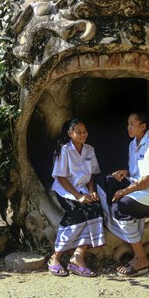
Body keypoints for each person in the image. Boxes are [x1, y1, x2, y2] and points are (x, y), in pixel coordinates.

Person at [96, 112, 149, 276]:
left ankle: (141, 257)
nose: (128, 127)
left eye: (132, 124)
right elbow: (138, 173)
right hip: (138, 184)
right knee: (104, 181)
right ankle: (123, 226)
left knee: (120, 207)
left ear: (143, 127)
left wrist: (125, 191)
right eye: (128, 124)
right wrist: (125, 172)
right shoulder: (133, 144)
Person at [48, 118, 105, 277]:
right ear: (70, 134)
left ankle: (78, 257)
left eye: (85, 131)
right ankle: (55, 257)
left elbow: (92, 173)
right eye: (78, 132)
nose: (83, 134)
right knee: (77, 215)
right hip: (66, 190)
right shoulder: (65, 150)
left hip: (83, 189)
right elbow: (61, 178)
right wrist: (78, 196)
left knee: (95, 209)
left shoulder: (89, 150)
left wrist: (92, 190)